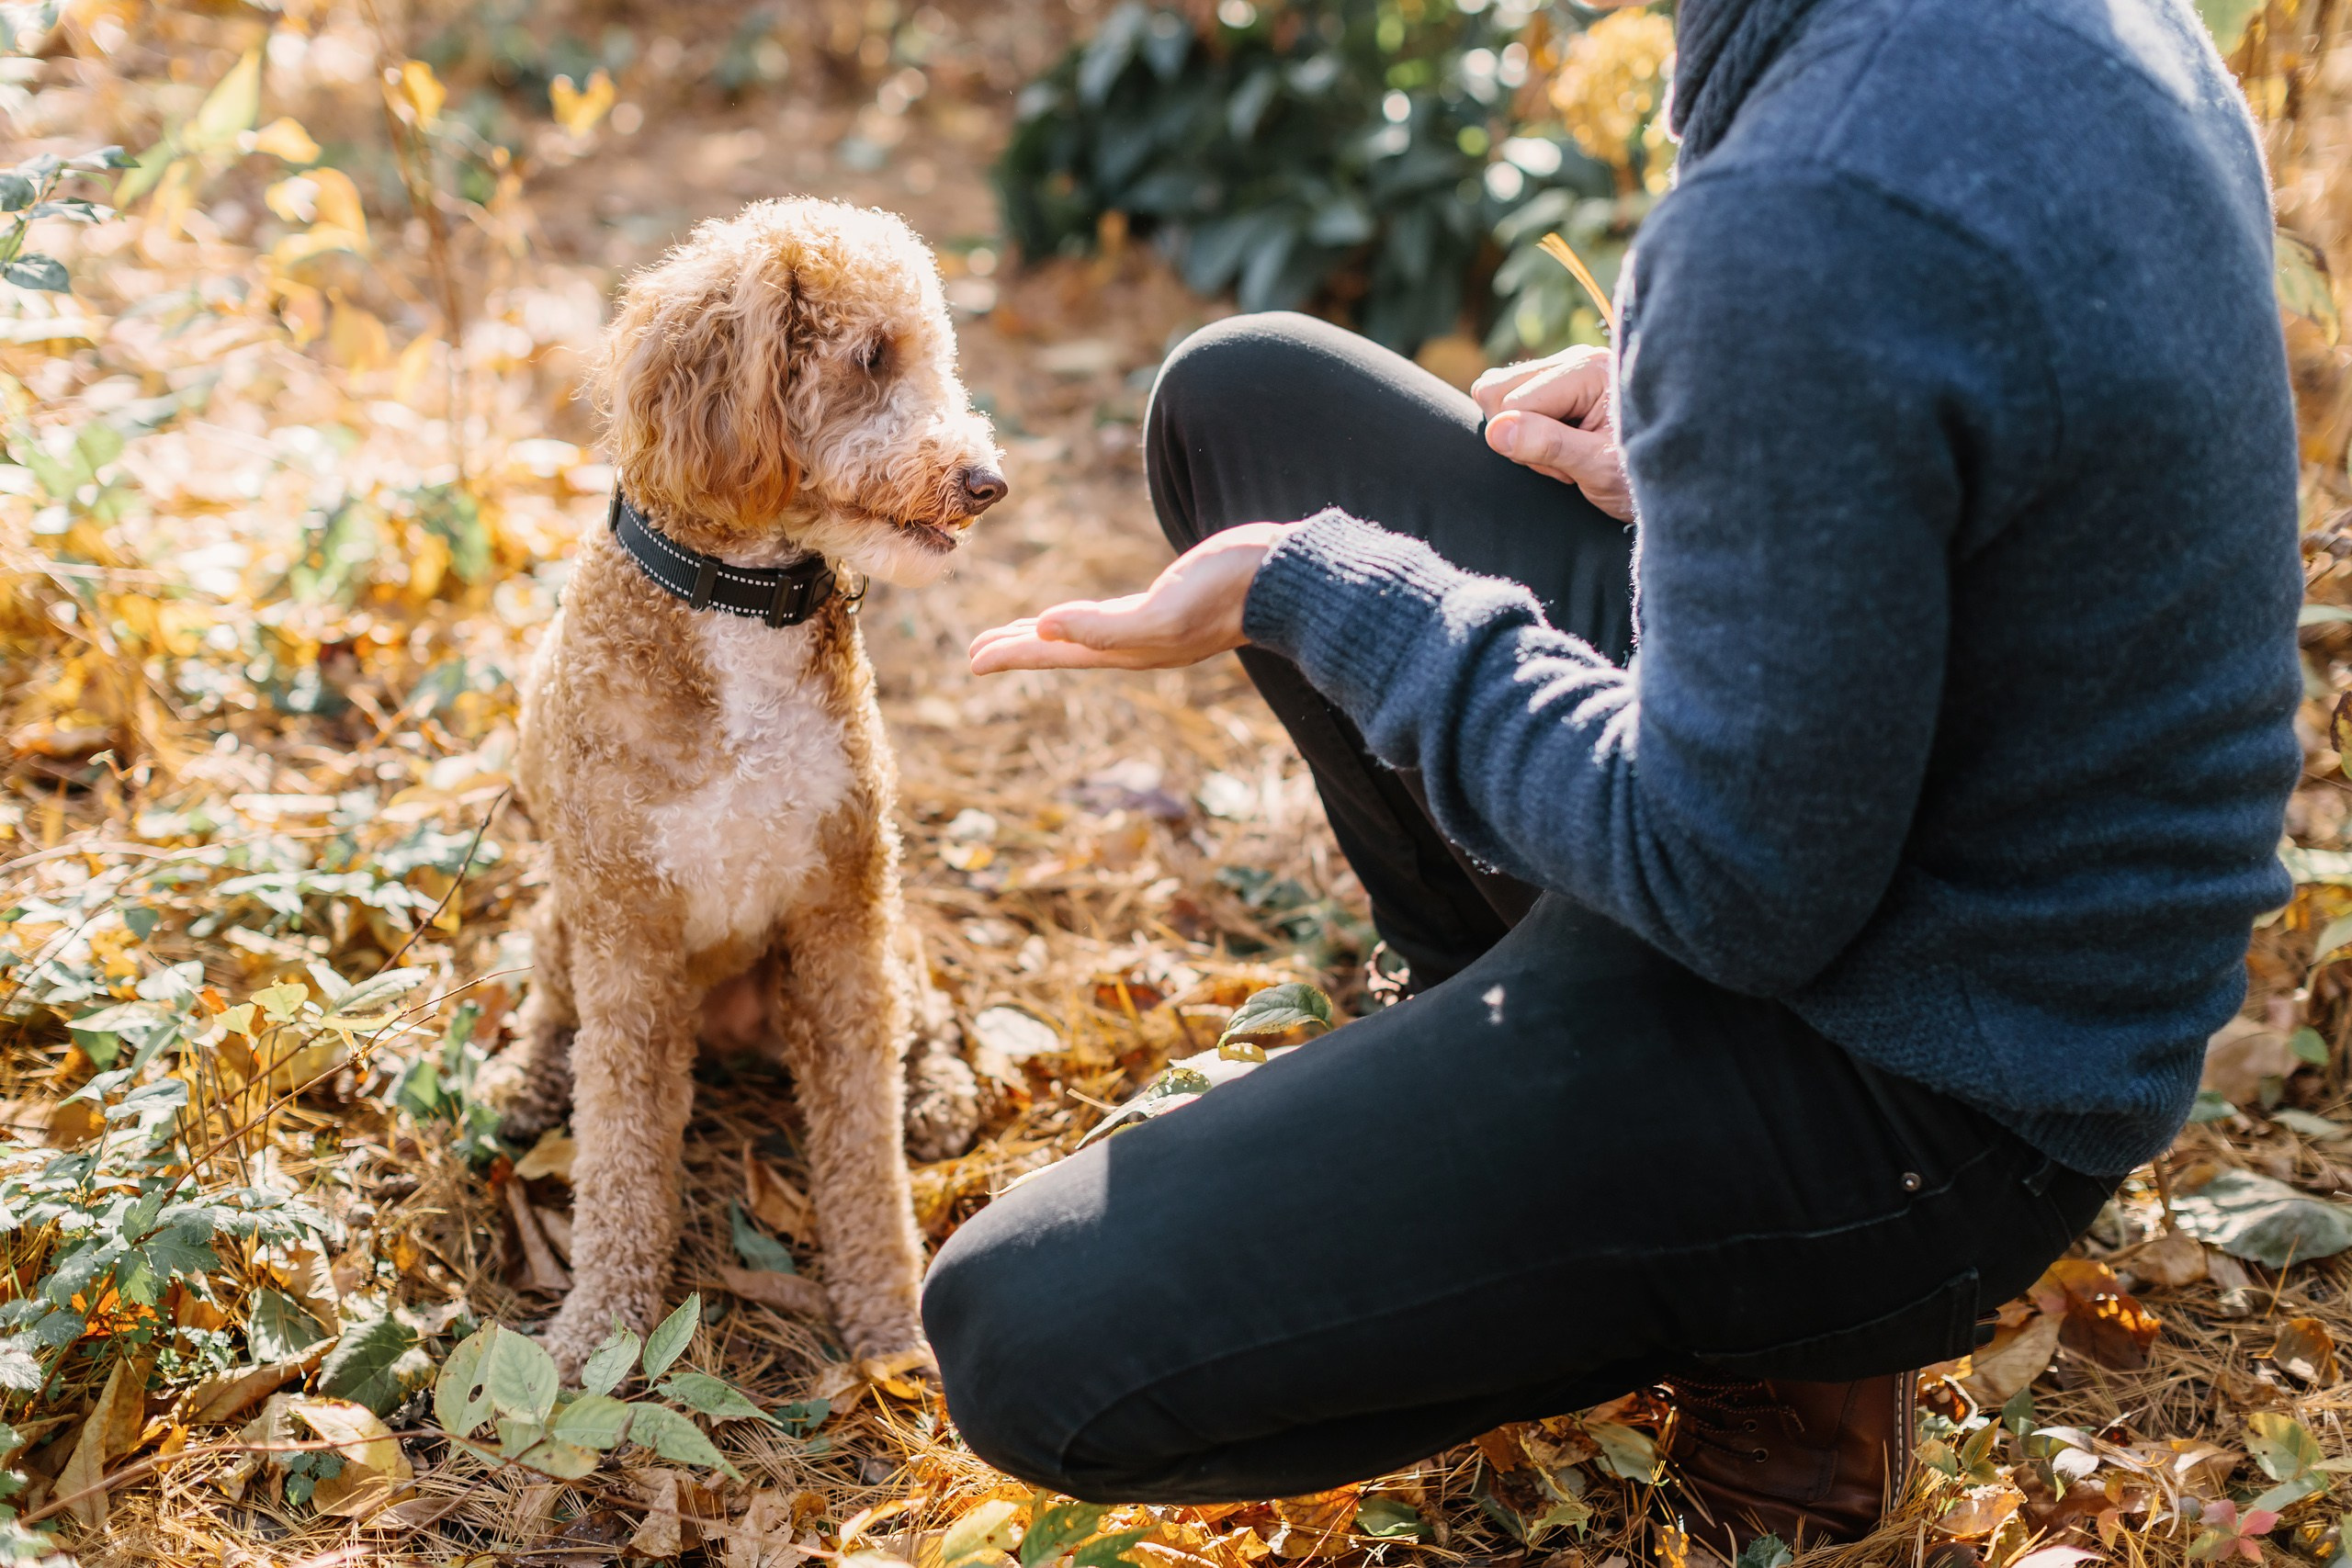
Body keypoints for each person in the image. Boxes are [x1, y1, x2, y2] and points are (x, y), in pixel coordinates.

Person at [920, 0, 2304, 1549]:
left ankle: (1776, 1327)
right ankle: (1519, 1105)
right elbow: (1989, 428)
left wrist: (1331, 599)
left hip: (1943, 1068)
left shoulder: (1813, 201)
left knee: (1018, 1342)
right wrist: (1706, 437)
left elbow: (1736, 889)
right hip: (1887, 807)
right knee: (1246, 402)